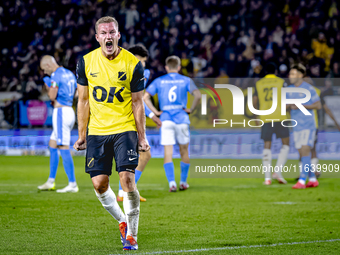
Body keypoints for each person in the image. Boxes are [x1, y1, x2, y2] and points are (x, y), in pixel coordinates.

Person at [73, 16, 149, 250]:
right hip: (97, 131)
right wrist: (82, 134)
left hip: (125, 127)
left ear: (118, 35)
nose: (108, 36)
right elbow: (83, 99)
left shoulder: (132, 63)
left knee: (127, 179)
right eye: (103, 33)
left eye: (112, 32)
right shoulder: (86, 62)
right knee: (99, 184)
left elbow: (138, 103)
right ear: (97, 37)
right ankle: (123, 221)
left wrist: (142, 136)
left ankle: (133, 235)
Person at [143, 55, 201, 192]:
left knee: (168, 153)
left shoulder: (159, 81)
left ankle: (172, 184)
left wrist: (155, 112)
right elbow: (198, 95)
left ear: (167, 67)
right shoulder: (186, 80)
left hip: (166, 119)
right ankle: (183, 182)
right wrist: (191, 109)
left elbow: (145, 97)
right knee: (184, 151)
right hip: (182, 118)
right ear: (179, 67)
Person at [117, 44, 162, 202]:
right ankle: (126, 191)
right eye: (141, 60)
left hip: (131, 118)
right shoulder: (123, 71)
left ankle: (125, 191)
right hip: (127, 118)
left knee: (137, 155)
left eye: (144, 61)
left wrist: (150, 114)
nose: (143, 64)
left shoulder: (142, 73)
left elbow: (139, 99)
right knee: (143, 154)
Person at [38, 55, 78, 193]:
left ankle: (72, 184)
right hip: (69, 110)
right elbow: (77, 93)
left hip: (61, 112)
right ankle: (50, 181)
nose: (44, 72)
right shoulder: (69, 74)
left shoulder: (55, 76)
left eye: (44, 69)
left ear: (49, 65)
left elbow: (51, 96)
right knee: (52, 144)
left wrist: (48, 84)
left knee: (63, 146)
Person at [252, 63, 289, 185]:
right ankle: (277, 170)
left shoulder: (259, 83)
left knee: (267, 145)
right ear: (276, 71)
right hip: (280, 116)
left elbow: (254, 100)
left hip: (266, 117)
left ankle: (267, 178)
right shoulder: (281, 82)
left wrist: (256, 115)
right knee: (286, 144)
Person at [287, 64, 321, 189]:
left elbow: (318, 105)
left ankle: (302, 181)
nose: (290, 76)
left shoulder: (308, 89)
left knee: (305, 150)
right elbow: (285, 107)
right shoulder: (289, 89)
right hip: (296, 126)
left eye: (293, 74)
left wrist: (301, 105)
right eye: (290, 74)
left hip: (308, 125)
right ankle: (312, 179)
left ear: (300, 75)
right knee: (302, 154)